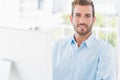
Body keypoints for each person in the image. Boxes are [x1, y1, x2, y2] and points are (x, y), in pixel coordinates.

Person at [52, 0, 117, 80]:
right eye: (78, 15)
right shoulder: (56, 47)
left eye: (87, 16)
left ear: (94, 19)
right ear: (71, 18)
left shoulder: (105, 50)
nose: (82, 21)